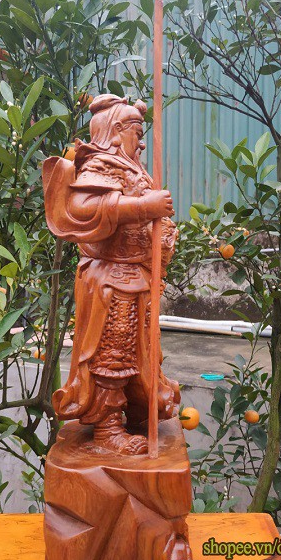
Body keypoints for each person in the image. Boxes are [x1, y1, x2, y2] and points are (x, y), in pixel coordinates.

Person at [42, 94, 180, 455]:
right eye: (137, 132)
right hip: (112, 278)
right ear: (117, 130)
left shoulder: (133, 168)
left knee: (138, 355)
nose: (142, 143)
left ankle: (132, 413)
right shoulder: (101, 165)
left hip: (136, 277)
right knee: (111, 354)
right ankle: (107, 428)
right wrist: (143, 206)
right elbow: (82, 206)